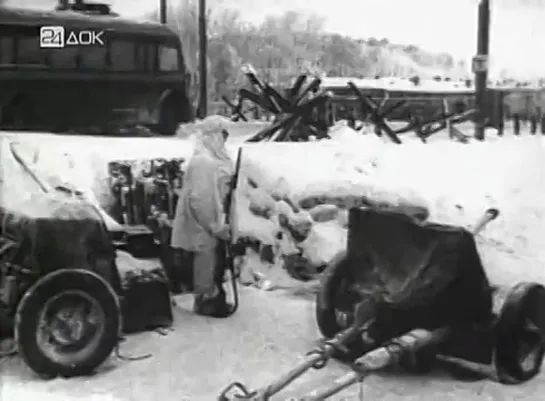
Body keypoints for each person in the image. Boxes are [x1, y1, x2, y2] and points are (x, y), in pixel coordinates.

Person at [170, 125, 234, 317]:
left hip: (202, 224)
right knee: (206, 263)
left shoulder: (204, 160)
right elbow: (201, 199)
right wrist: (214, 227)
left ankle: (207, 299)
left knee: (207, 262)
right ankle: (207, 302)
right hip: (202, 225)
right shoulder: (204, 162)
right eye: (221, 137)